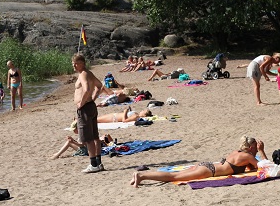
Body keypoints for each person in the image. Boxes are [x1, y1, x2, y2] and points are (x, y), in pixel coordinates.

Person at [130, 136, 268, 188]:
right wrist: (262, 151)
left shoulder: (237, 152)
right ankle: (141, 176)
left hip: (206, 165)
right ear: (251, 147)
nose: (256, 149)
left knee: (175, 175)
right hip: (209, 171)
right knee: (173, 176)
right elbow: (266, 167)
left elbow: (251, 168)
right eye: (255, 147)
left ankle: (140, 176)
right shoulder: (247, 156)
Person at [72, 53, 105, 173]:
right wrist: (93, 98)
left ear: (82, 63)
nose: (74, 66)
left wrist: (81, 102)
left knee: (88, 139)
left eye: (76, 63)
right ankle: (98, 163)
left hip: (85, 108)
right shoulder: (89, 73)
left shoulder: (83, 74)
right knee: (95, 136)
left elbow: (86, 89)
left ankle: (93, 164)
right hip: (90, 105)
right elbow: (99, 86)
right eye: (73, 64)